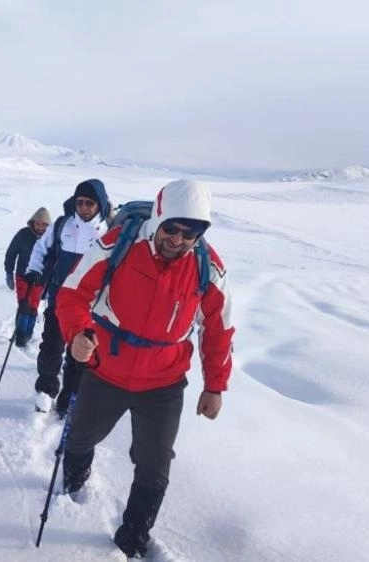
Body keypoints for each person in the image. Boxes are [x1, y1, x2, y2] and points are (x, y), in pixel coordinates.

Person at [55, 179, 235, 559]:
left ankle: (134, 534)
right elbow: (72, 293)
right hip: (107, 369)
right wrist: (77, 332)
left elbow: (218, 331)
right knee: (81, 437)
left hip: (164, 382)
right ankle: (74, 477)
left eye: (193, 232)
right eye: (172, 227)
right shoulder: (117, 245)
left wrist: (215, 386)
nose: (180, 239)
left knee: (154, 465)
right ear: (158, 216)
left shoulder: (209, 268)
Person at [24, 179, 110, 415]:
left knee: (80, 352)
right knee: (51, 345)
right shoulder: (62, 225)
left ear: (100, 204)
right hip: (59, 297)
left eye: (89, 203)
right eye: (79, 202)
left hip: (91, 305)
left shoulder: (109, 232)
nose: (83, 207)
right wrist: (34, 270)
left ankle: (71, 396)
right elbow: (41, 249)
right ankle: (46, 390)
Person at [4, 207, 52, 347]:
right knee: (24, 305)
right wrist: (9, 271)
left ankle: (28, 333)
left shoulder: (51, 237)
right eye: (37, 223)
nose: (40, 227)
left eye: (44, 224)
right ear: (32, 222)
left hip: (41, 279)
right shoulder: (23, 234)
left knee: (33, 307)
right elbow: (11, 253)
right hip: (23, 276)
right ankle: (20, 335)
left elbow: (54, 259)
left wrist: (50, 282)